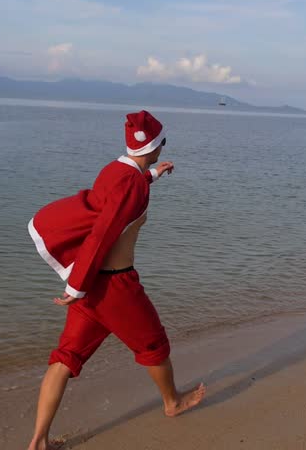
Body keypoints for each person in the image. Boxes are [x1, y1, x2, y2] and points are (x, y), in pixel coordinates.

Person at [26, 110, 205, 450]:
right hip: (115, 288)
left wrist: (153, 173)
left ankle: (38, 441)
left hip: (91, 291)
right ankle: (172, 403)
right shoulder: (133, 186)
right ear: (153, 145)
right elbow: (101, 235)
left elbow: (120, 193)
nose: (163, 150)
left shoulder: (115, 170)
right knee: (154, 346)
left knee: (65, 358)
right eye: (162, 145)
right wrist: (73, 286)